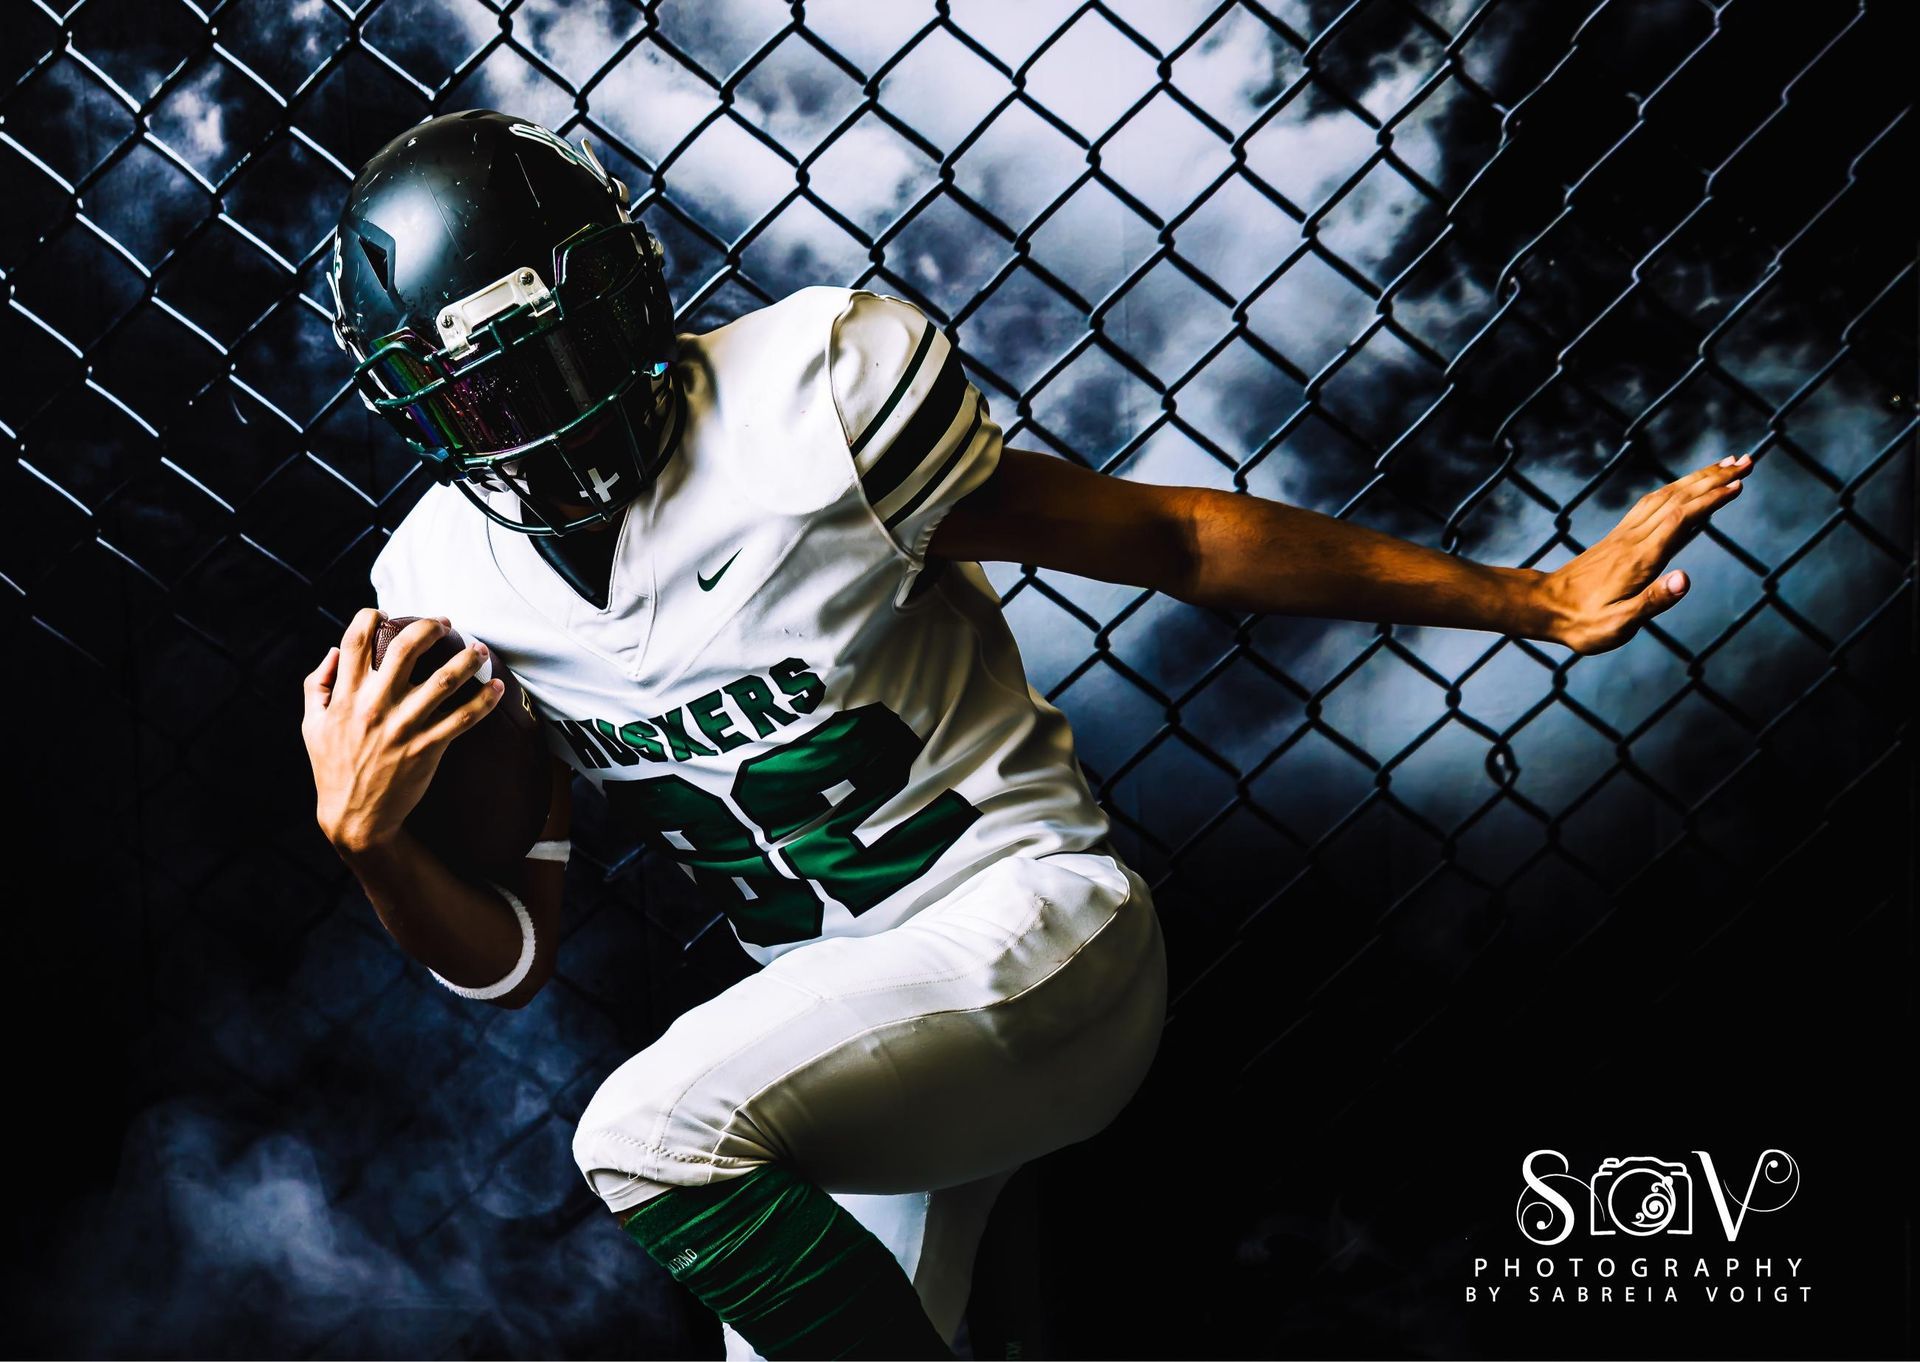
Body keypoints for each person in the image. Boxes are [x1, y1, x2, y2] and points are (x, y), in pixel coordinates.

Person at [299, 110, 1754, 1360]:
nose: (542, 422)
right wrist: (365, 840)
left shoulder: (809, 403)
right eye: (485, 392)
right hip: (827, 1050)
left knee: (644, 1132)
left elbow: (1170, 535)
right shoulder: (450, 585)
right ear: (420, 405)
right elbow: (501, 951)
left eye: (553, 361)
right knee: (704, 1164)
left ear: (627, 294)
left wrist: (1529, 596)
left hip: (1034, 930)